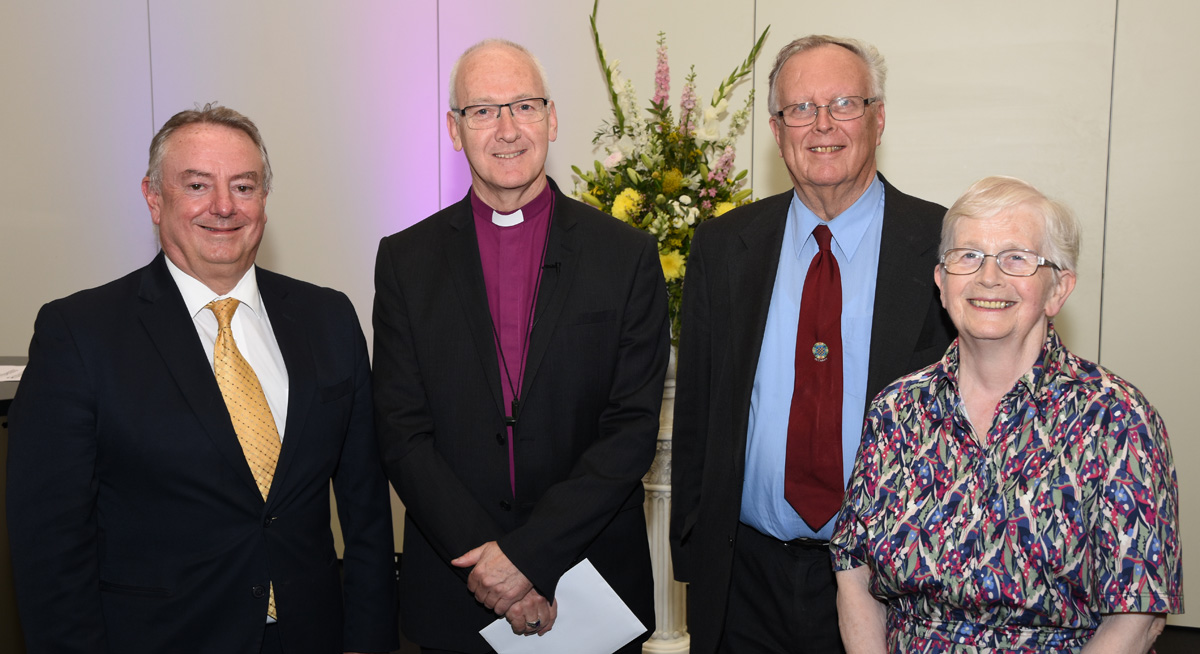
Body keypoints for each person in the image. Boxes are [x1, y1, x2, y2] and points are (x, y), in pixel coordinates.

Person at [6, 104, 398, 654]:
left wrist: (369, 638)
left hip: (312, 635)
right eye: (197, 184)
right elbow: (50, 545)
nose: (223, 206)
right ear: (153, 198)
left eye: (243, 186)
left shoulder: (328, 319)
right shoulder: (79, 335)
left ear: (263, 199)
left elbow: (366, 514)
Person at [372, 39, 669, 653]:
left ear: (552, 119)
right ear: (454, 131)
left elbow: (631, 430)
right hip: (458, 591)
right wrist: (496, 568)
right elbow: (402, 431)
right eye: (482, 111)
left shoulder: (626, 256)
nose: (506, 129)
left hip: (590, 588)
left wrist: (529, 557)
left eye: (524, 106)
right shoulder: (406, 261)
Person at [670, 35, 956, 653]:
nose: (821, 125)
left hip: (891, 582)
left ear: (879, 117)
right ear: (777, 130)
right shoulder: (724, 247)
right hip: (744, 579)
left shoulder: (943, 246)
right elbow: (697, 411)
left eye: (844, 104)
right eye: (800, 109)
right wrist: (693, 547)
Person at [832, 175, 1182, 652]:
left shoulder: (1117, 419)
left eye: (1017, 258)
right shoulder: (896, 411)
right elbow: (853, 571)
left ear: (1058, 288)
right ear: (941, 281)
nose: (988, 277)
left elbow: (1136, 616)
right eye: (968, 256)